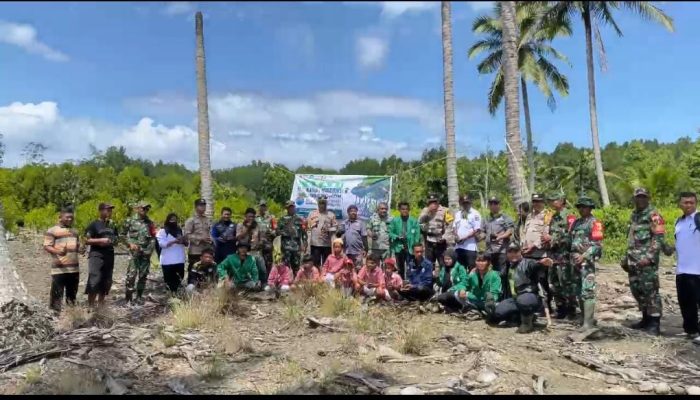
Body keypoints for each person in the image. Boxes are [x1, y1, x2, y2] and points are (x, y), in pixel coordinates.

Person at [622, 188, 667, 336]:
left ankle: (654, 323)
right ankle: (645, 319)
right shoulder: (634, 215)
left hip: (646, 262)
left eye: (643, 197)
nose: (640, 200)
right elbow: (630, 239)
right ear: (634, 199)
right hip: (633, 262)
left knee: (651, 292)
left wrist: (649, 257)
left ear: (648, 198)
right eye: (638, 197)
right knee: (637, 290)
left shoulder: (654, 215)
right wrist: (625, 258)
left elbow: (658, 238)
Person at [490, 243, 554, 333]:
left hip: (531, 297)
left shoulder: (528, 263)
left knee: (523, 300)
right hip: (514, 299)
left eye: (516, 251)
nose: (513, 254)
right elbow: (498, 275)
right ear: (507, 254)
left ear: (520, 252)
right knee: (498, 312)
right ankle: (517, 318)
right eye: (510, 252)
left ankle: (527, 323)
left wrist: (542, 263)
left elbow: (535, 266)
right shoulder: (507, 266)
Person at [667, 192, 700, 344]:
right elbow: (681, 242)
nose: (688, 205)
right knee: (686, 303)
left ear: (696, 203)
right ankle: (691, 331)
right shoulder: (678, 222)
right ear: (680, 204)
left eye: (691, 202)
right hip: (682, 270)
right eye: (685, 202)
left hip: (697, 270)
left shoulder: (698, 218)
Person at [570, 194, 604, 331]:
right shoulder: (576, 223)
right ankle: (584, 318)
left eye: (584, 207)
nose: (581, 209)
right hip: (574, 261)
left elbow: (598, 245)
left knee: (588, 290)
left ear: (590, 208)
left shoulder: (595, 223)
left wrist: (584, 255)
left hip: (586, 262)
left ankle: (589, 322)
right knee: (578, 291)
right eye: (580, 207)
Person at [544, 191, 577, 320]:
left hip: (565, 256)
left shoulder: (569, 216)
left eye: (555, 200)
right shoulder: (554, 217)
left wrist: (552, 239)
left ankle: (571, 310)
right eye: (551, 200)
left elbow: (571, 236)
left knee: (567, 282)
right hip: (554, 255)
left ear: (562, 201)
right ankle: (561, 309)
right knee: (554, 283)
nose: (552, 202)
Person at [43, 206, 81, 313]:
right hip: (59, 269)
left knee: (72, 296)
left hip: (74, 269)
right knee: (56, 295)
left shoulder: (74, 231)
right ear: (60, 217)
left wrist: (80, 248)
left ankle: (71, 318)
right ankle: (55, 318)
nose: (70, 219)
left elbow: (77, 246)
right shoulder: (52, 231)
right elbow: (47, 246)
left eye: (71, 218)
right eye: (67, 217)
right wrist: (58, 252)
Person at [84, 203, 118, 309]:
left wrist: (113, 241)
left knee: (106, 281)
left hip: (109, 255)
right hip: (96, 255)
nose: (109, 212)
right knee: (94, 279)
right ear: (101, 211)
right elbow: (86, 240)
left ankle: (101, 308)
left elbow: (116, 240)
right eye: (107, 210)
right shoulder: (94, 224)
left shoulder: (113, 225)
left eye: (110, 210)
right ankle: (90, 307)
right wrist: (100, 240)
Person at [521, 193, 551, 316]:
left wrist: (533, 247)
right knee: (531, 281)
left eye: (539, 201)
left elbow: (545, 236)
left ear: (543, 202)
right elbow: (524, 232)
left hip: (540, 254)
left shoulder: (547, 215)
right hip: (527, 255)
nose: (536, 203)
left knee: (542, 281)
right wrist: (523, 247)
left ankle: (546, 307)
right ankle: (535, 306)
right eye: (534, 201)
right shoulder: (529, 216)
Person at [123, 201, 156, 304]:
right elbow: (122, 235)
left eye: (147, 209)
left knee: (143, 276)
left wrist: (150, 250)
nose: (145, 210)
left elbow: (153, 238)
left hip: (145, 253)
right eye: (143, 208)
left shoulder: (149, 223)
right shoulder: (130, 221)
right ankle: (128, 297)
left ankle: (139, 297)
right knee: (131, 275)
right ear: (138, 208)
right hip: (134, 253)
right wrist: (130, 244)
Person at [482, 196, 514, 293]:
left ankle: (504, 295)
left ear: (499, 205)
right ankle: (493, 294)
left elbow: (510, 230)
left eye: (495, 203)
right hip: (489, 251)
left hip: (502, 251)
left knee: (502, 274)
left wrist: (501, 236)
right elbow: (482, 232)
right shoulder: (486, 218)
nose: (493, 205)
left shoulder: (505, 217)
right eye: (491, 203)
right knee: (491, 274)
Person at [419, 194, 453, 268]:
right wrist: (428, 211)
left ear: (438, 202)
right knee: (428, 264)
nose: (433, 204)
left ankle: (442, 278)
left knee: (443, 264)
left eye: (435, 202)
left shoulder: (445, 210)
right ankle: (429, 279)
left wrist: (444, 237)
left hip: (440, 241)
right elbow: (420, 222)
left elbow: (449, 226)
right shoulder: (425, 210)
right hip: (429, 241)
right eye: (431, 202)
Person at [389, 202, 421, 280]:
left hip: (410, 248)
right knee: (400, 268)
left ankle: (411, 285)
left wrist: (415, 247)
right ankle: (401, 284)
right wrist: (397, 237)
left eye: (406, 209)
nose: (405, 211)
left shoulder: (414, 221)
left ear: (409, 210)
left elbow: (417, 235)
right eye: (403, 209)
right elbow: (390, 232)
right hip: (399, 247)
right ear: (399, 210)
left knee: (411, 267)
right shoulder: (395, 220)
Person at [156, 213, 187, 294]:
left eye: (175, 219)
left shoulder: (180, 230)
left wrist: (183, 241)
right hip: (167, 260)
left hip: (179, 259)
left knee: (180, 278)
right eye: (171, 219)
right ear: (167, 220)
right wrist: (174, 241)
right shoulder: (162, 231)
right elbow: (162, 244)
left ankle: (177, 295)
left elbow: (187, 243)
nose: (173, 221)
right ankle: (171, 296)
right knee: (169, 280)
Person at [184, 199, 213, 285]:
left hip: (206, 250)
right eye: (201, 205)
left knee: (205, 272)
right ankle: (191, 291)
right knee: (193, 271)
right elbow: (187, 235)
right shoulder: (191, 220)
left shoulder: (207, 219)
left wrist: (210, 239)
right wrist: (200, 238)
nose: (203, 207)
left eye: (204, 205)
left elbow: (209, 232)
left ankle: (204, 291)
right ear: (196, 207)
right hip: (195, 251)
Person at [236, 207, 267, 283]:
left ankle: (263, 283)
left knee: (262, 268)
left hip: (256, 251)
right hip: (244, 252)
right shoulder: (240, 225)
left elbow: (262, 238)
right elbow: (238, 237)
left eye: (253, 216)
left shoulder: (258, 226)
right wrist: (247, 228)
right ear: (245, 216)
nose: (251, 218)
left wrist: (260, 243)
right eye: (249, 216)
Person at [307, 195, 338, 268]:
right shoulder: (312, 214)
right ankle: (316, 278)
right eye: (320, 203)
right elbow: (308, 227)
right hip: (315, 243)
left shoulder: (331, 214)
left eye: (324, 203)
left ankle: (324, 278)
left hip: (326, 244)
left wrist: (329, 229)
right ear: (318, 203)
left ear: (326, 204)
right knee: (315, 264)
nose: (322, 205)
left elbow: (336, 227)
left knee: (326, 264)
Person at [453, 194, 481, 271]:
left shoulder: (475, 214)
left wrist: (464, 238)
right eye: (463, 203)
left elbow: (477, 229)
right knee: (460, 269)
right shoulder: (458, 214)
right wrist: (456, 236)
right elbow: (454, 227)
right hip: (459, 247)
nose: (465, 205)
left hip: (470, 247)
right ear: (461, 203)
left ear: (470, 203)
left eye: (467, 203)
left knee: (472, 269)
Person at [435, 247, 468, 313]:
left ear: (453, 258)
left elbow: (464, 282)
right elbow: (440, 283)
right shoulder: (444, 268)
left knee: (442, 297)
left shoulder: (460, 268)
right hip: (445, 291)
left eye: (449, 259)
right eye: (445, 259)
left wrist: (453, 288)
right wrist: (437, 277)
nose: (446, 261)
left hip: (455, 292)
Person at [278, 201, 307, 275]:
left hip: (296, 247)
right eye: (289, 207)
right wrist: (286, 232)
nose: (291, 209)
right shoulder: (282, 219)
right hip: (286, 247)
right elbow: (277, 231)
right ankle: (285, 281)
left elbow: (304, 233)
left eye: (292, 207)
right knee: (285, 266)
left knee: (296, 266)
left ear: (294, 207)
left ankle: (296, 281)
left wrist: (305, 243)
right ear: (286, 208)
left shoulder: (300, 219)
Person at [338, 205, 368, 270]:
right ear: (348, 212)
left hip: (358, 251)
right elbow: (338, 235)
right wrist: (339, 231)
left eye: (355, 211)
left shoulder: (361, 223)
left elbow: (364, 237)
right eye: (351, 211)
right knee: (347, 269)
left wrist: (366, 249)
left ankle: (357, 280)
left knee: (358, 269)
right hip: (347, 251)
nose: (353, 212)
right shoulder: (344, 223)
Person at [256, 200, 277, 274]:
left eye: (264, 206)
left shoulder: (271, 218)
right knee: (257, 261)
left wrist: (271, 232)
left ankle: (268, 279)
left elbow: (276, 230)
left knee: (268, 262)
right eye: (261, 206)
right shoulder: (255, 218)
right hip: (257, 243)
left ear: (266, 207)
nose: (263, 208)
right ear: (259, 207)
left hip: (267, 243)